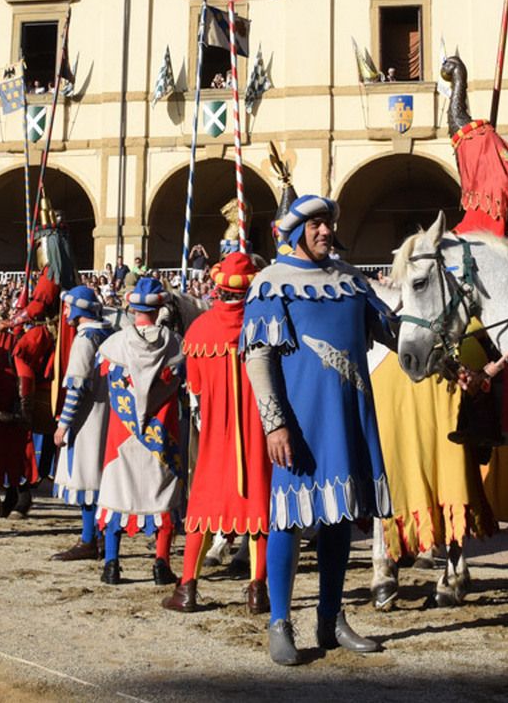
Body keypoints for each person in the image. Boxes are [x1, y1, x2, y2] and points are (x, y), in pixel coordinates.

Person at [243, 195, 396, 665]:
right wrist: (275, 425)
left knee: (338, 517)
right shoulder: (271, 285)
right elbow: (259, 359)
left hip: (348, 416)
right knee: (289, 520)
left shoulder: (350, 281)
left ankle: (330, 619)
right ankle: (280, 623)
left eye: (328, 223)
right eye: (314, 224)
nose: (325, 231)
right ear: (293, 232)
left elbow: (393, 332)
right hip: (300, 422)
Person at [165, 253, 272, 614]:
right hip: (257, 431)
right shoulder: (265, 326)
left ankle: (188, 588)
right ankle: (258, 590)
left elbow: (194, 385)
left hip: (214, 434)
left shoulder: (198, 331)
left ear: (218, 287)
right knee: (258, 507)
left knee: (204, 507)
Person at [95, 277, 187, 587]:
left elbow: (104, 381)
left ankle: (112, 564)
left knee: (116, 492)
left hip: (122, 435)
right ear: (160, 307)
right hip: (161, 435)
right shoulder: (175, 343)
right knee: (162, 494)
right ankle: (161, 563)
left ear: (131, 308)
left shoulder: (113, 345)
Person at [49, 285, 115, 561]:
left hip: (89, 418)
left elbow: (76, 386)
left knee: (87, 478)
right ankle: (98, 536)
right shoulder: (110, 334)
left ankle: (89, 539)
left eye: (67, 307)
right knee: (99, 478)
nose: (64, 312)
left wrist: (64, 424)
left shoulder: (85, 339)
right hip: (109, 415)